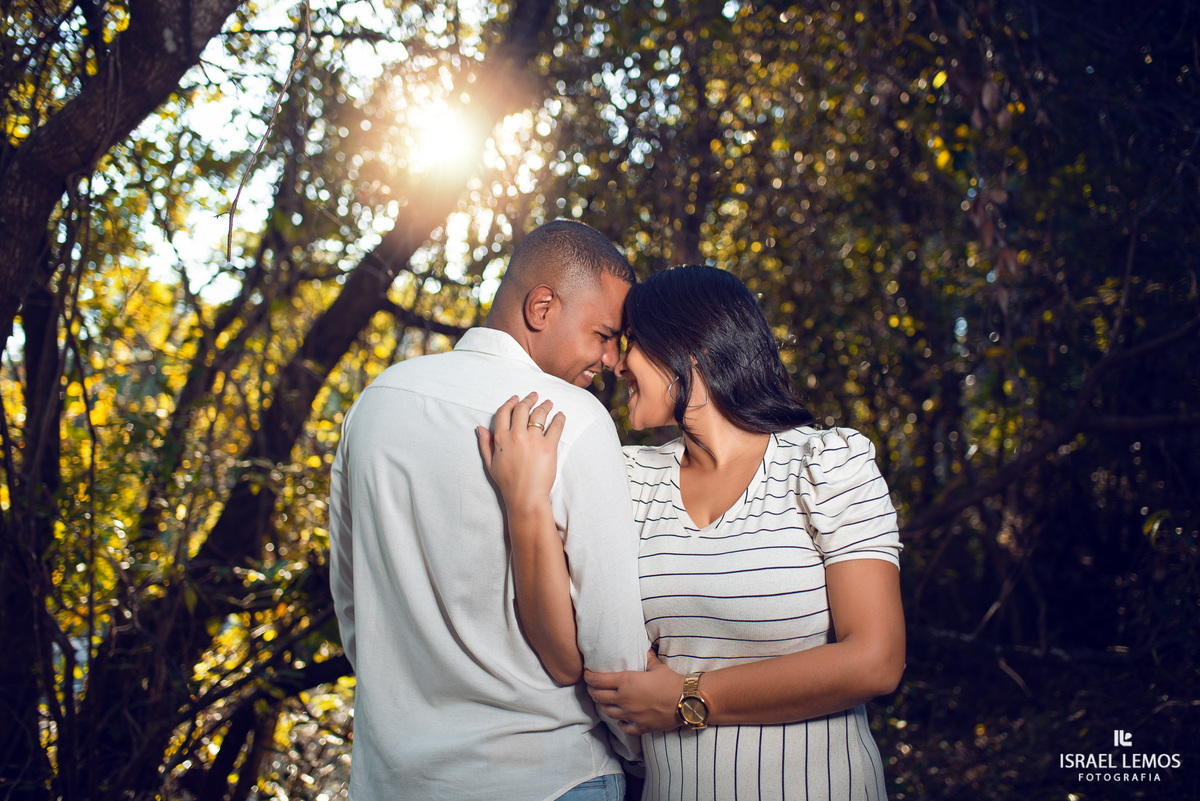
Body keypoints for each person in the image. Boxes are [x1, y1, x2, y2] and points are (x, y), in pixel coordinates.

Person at [480, 264, 906, 800]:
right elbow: (564, 645)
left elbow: (876, 660)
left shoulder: (827, 464)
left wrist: (690, 698)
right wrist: (527, 504)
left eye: (628, 342)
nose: (612, 363)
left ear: (689, 349)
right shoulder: (627, 478)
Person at [329, 219, 650, 801]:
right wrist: (636, 757)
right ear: (542, 306)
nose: (610, 358)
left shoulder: (376, 404)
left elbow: (354, 610)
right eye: (604, 333)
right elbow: (614, 647)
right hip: (548, 776)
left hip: (395, 782)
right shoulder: (571, 419)